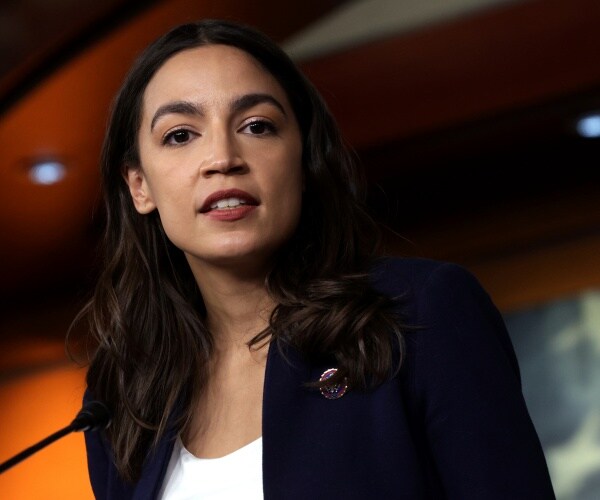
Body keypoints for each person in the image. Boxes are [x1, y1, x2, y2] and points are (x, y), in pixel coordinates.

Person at [75, 18, 556, 499]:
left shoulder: (423, 313)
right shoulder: (121, 390)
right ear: (139, 185)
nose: (222, 157)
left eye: (257, 126)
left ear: (304, 159)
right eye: (180, 135)